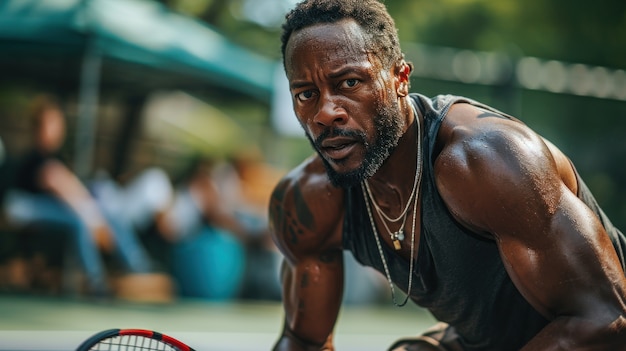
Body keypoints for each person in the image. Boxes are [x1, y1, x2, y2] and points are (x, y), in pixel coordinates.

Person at [268, 1, 626, 350]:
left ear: (399, 78)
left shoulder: (486, 161)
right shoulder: (308, 202)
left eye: (349, 83)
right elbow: (302, 341)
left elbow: (604, 322)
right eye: (306, 94)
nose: (325, 113)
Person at [2, 95, 152, 296]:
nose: (54, 129)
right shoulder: (37, 158)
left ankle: (136, 265)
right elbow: (59, 186)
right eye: (49, 123)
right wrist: (92, 217)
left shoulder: (57, 157)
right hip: (24, 210)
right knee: (79, 221)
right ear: (37, 127)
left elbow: (69, 188)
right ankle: (96, 282)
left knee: (104, 214)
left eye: (57, 123)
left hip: (47, 210)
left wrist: (94, 214)